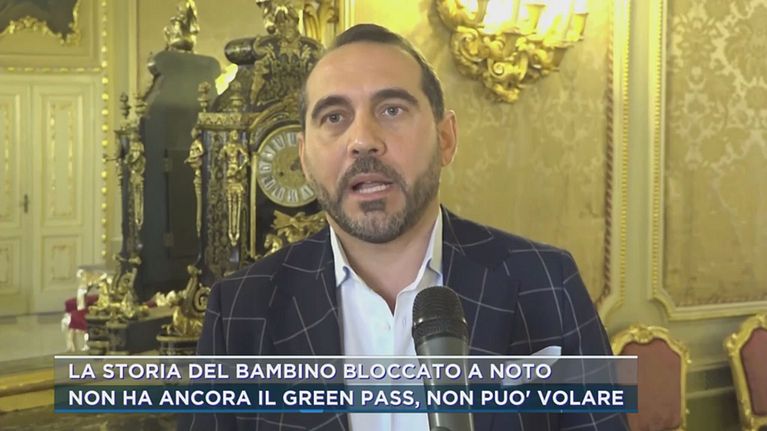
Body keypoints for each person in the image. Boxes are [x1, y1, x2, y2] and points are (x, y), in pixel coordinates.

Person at [179, 23, 627, 431]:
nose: (362, 141)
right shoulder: (239, 311)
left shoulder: (548, 283)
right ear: (304, 158)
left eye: (391, 109)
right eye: (334, 117)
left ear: (446, 139)